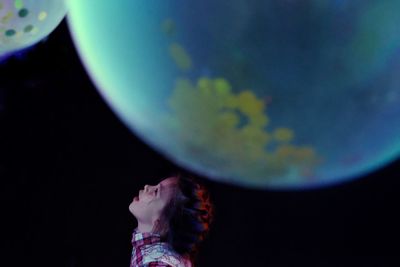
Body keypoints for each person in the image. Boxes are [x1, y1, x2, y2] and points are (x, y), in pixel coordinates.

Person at [128, 174, 214, 267]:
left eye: (156, 192)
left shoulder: (158, 264)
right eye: (156, 185)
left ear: (163, 224)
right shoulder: (150, 245)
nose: (147, 187)